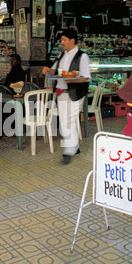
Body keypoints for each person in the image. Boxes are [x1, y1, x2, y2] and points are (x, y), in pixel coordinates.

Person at [42, 28, 90, 164]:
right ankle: (74, 147)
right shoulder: (62, 55)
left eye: (64, 40)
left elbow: (85, 77)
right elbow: (54, 71)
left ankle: (68, 151)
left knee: (67, 120)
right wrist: (47, 70)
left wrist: (71, 79)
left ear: (72, 41)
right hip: (61, 92)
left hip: (75, 93)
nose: (62, 42)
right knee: (67, 120)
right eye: (61, 39)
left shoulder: (82, 56)